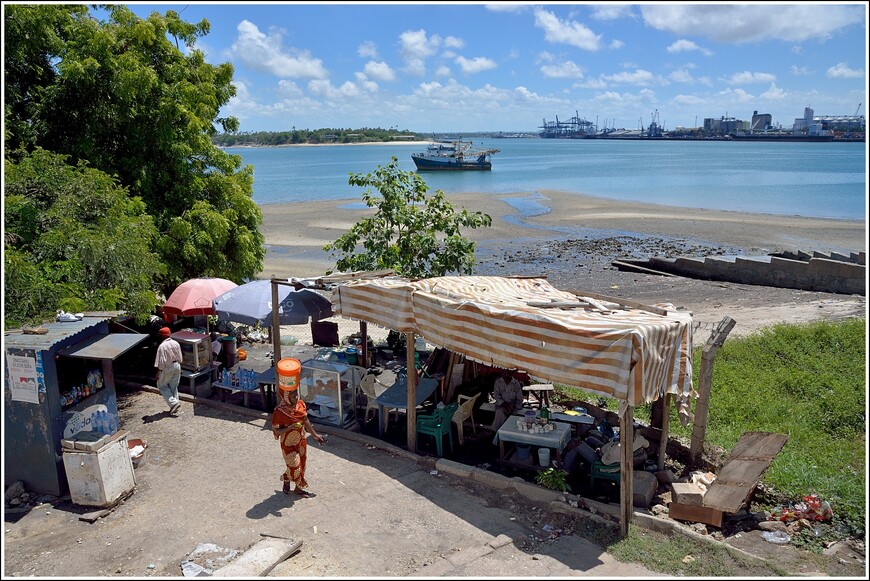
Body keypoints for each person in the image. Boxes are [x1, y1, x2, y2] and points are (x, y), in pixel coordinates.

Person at [271, 379, 325, 497]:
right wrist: (289, 428)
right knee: (295, 467)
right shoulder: (279, 412)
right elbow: (276, 430)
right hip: (288, 444)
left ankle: (296, 487)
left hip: (301, 440)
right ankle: (289, 479)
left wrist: (315, 435)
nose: (296, 396)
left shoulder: (300, 405)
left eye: (296, 393)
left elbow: (306, 420)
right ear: (286, 396)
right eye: (292, 394)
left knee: (302, 465)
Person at [154, 327, 183, 415]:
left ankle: (174, 403)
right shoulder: (176, 343)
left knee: (161, 385)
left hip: (168, 367)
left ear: (162, 336)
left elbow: (161, 362)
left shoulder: (162, 346)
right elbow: (180, 358)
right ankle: (175, 404)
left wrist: (158, 372)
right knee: (173, 386)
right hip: (177, 365)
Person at [489, 368, 525, 432]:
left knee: (512, 416)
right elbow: (497, 397)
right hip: (501, 405)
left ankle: (498, 432)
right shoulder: (498, 382)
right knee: (500, 412)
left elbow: (519, 399)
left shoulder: (516, 384)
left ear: (511, 373)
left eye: (507, 373)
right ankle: (496, 431)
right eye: (503, 373)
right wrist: (505, 405)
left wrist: (514, 406)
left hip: (513, 406)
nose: (505, 375)